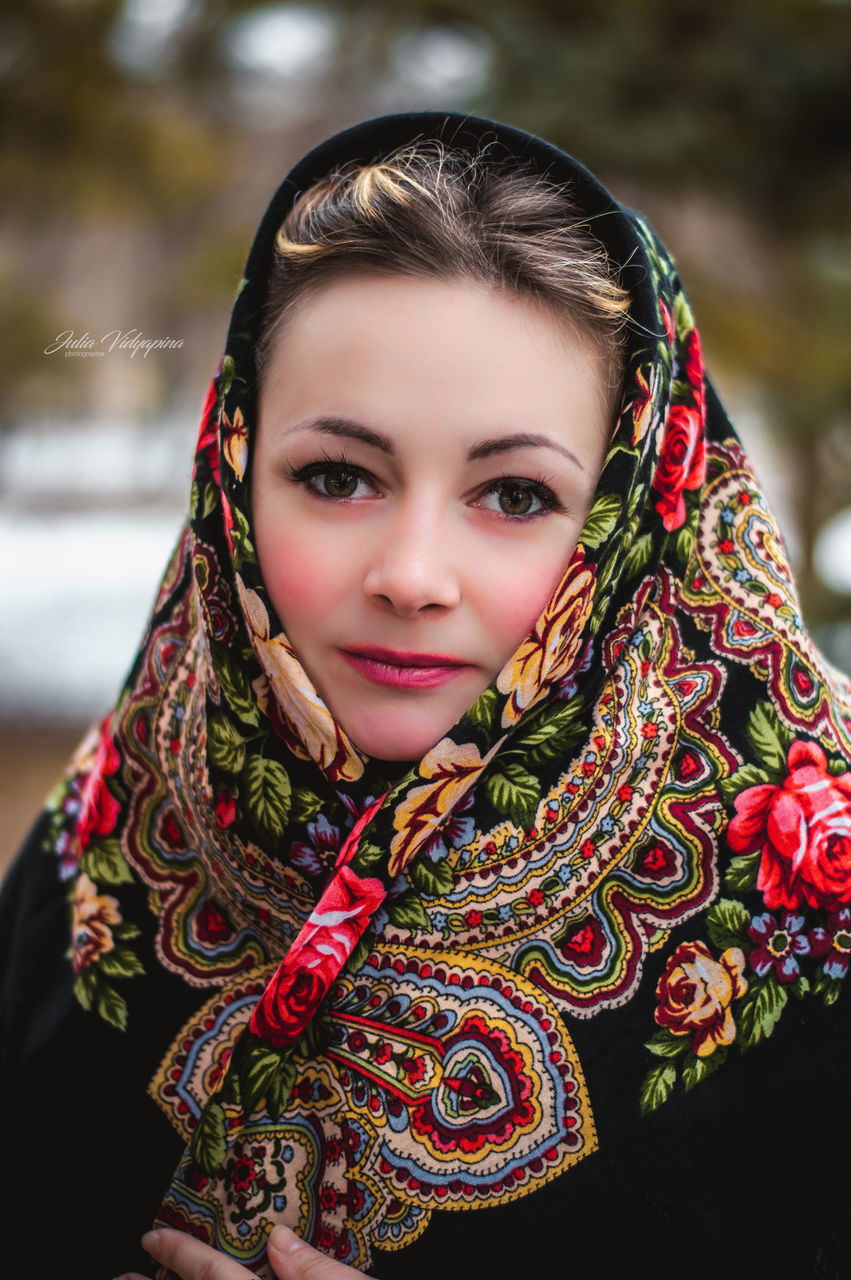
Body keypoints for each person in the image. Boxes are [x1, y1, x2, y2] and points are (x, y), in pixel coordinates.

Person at [1, 110, 850, 1280]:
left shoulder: (817, 890)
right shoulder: (115, 817)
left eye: (512, 495)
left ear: (632, 505)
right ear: (233, 473)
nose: (408, 576)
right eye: (337, 475)